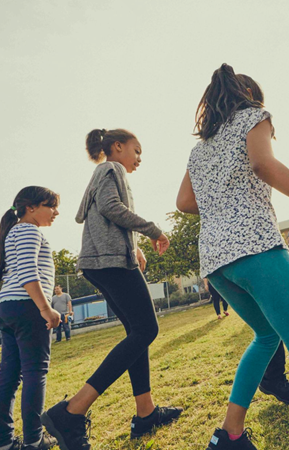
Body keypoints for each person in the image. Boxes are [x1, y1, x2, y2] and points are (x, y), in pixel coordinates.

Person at [177, 64, 289, 450]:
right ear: (250, 97)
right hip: (255, 248)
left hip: (216, 262)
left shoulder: (200, 148)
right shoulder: (255, 116)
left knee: (267, 335)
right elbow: (263, 165)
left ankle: (230, 434)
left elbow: (184, 201)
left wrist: (222, 203)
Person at [42, 128, 180, 450]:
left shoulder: (103, 172)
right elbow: (110, 207)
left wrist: (133, 245)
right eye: (136, 150)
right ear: (118, 146)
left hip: (103, 260)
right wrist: (152, 230)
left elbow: (102, 217)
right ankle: (71, 411)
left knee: (137, 332)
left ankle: (146, 413)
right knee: (147, 329)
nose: (139, 158)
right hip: (110, 261)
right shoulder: (111, 168)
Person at [0, 187, 61, 450]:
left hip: (6, 307)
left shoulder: (13, 232)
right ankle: (34, 439)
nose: (56, 212)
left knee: (8, 376)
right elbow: (29, 272)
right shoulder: (29, 230)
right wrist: (45, 308)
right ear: (31, 207)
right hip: (27, 306)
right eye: (51, 206)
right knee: (34, 372)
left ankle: (2, 443)